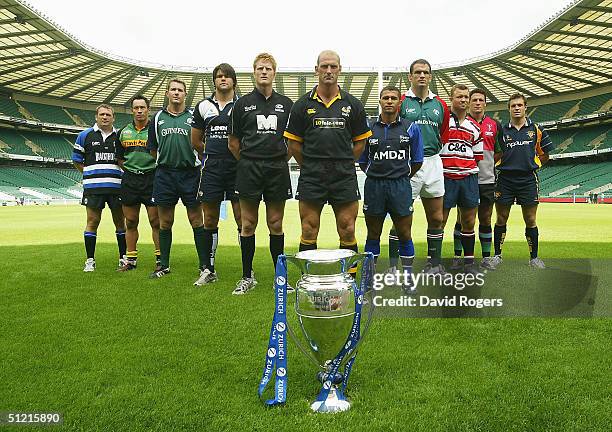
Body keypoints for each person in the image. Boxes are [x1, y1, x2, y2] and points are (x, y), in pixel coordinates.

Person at [284, 50, 371, 258]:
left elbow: (360, 142)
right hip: (312, 175)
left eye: (333, 66)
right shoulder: (302, 105)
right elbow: (294, 144)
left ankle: (349, 280)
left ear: (340, 70)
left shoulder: (353, 104)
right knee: (309, 228)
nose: (329, 71)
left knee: (348, 228)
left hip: (344, 174)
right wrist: (310, 165)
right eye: (324, 66)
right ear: (316, 70)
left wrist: (345, 162)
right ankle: (310, 281)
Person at [228, 53, 293, 295]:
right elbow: (233, 143)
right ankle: (247, 276)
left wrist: (277, 159)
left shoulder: (286, 104)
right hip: (249, 169)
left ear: (274, 73)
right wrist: (248, 161)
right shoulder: (242, 104)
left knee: (275, 223)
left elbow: (292, 143)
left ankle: (281, 278)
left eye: (268, 68)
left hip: (277, 169)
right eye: (259, 68)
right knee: (248, 223)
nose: (263, 72)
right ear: (253, 73)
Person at [358, 85, 423, 291]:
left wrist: (400, 176)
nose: (389, 101)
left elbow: (417, 160)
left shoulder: (411, 127)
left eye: (393, 98)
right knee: (373, 234)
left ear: (399, 102)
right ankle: (369, 279)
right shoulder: (368, 128)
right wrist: (377, 174)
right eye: (385, 97)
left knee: (404, 233)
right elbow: (362, 160)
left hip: (400, 187)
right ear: (380, 101)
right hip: (374, 186)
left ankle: (408, 278)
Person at [146, 78, 207, 282]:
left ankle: (204, 265)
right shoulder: (157, 118)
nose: (176, 93)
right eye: (173, 89)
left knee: (196, 220)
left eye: (180, 90)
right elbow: (153, 148)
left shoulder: (193, 117)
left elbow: (201, 144)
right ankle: (163, 265)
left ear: (184, 94)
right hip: (165, 174)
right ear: (167, 93)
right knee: (165, 221)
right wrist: (167, 161)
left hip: (190, 174)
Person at [395, 59, 450, 274]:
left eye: (425, 72)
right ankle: (395, 266)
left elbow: (443, 134)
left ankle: (433, 264)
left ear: (430, 76)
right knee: (401, 216)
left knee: (436, 218)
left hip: (434, 162)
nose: (421, 76)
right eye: (417, 72)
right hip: (408, 165)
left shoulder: (441, 105)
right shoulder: (401, 101)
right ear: (410, 76)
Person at [191, 63, 241, 285]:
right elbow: (195, 141)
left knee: (244, 220)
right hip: (211, 170)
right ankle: (208, 269)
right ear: (214, 80)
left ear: (234, 81)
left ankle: (247, 270)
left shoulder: (242, 105)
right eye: (219, 76)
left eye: (227, 76)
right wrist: (212, 153)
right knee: (209, 219)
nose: (223, 79)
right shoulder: (203, 106)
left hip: (238, 170)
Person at [492, 93, 554, 269]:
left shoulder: (536, 129)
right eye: (513, 106)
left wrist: (533, 165)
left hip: (528, 179)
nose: (517, 108)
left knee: (530, 218)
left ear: (525, 107)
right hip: (505, 179)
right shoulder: (501, 131)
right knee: (501, 218)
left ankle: (534, 258)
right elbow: (495, 153)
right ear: (509, 109)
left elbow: (545, 154)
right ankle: (497, 255)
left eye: (520, 105)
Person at [452, 88, 501, 270]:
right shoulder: (462, 122)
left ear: (485, 103)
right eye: (474, 100)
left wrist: (486, 166)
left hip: (486, 180)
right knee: (462, 219)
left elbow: (499, 151)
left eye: (481, 100)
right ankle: (458, 256)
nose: (478, 103)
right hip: (464, 178)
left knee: (486, 218)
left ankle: (486, 258)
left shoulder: (494, 125)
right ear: (469, 103)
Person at [72, 104, 126, 272]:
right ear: (96, 117)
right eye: (102, 114)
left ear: (113, 117)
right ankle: (90, 260)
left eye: (108, 114)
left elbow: (125, 160)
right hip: (93, 188)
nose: (105, 117)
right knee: (92, 222)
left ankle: (123, 258)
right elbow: (77, 160)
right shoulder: (84, 136)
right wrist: (90, 174)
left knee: (120, 222)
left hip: (117, 187)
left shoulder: (121, 136)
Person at [439, 84, 483, 274]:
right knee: (439, 221)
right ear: (451, 99)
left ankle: (469, 263)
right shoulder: (442, 121)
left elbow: (477, 156)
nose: (464, 100)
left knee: (469, 222)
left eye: (466, 97)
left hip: (468, 178)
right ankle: (434, 263)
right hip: (445, 177)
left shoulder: (475, 127)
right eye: (459, 97)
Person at [116, 95, 160, 272]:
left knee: (155, 221)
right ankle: (131, 260)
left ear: (148, 109)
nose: (140, 111)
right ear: (132, 110)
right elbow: (119, 159)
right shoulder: (123, 132)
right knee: (131, 221)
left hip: (152, 178)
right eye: (136, 108)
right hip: (130, 180)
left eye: (143, 107)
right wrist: (132, 170)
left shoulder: (155, 130)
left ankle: (160, 259)